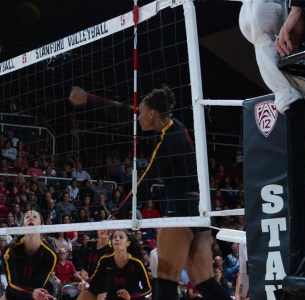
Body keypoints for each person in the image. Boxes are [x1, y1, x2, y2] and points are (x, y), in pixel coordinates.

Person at [137, 86, 231, 300]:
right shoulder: (175, 126)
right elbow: (130, 111)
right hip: (199, 207)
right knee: (204, 280)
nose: (138, 116)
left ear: (152, 113)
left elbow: (150, 175)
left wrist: (123, 210)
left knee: (165, 275)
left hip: (181, 207)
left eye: (141, 111)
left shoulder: (169, 137)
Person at [77, 230, 151, 300]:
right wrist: (85, 284)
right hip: (112, 296)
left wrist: (131, 296)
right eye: (115, 237)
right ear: (112, 242)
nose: (117, 239)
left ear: (128, 243)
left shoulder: (137, 263)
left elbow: (148, 288)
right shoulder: (105, 260)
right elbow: (95, 278)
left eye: (121, 237)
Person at [1, 210, 58, 300]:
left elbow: (39, 287)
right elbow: (12, 285)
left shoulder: (50, 255)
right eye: (27, 217)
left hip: (39, 294)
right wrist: (31, 293)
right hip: (15, 293)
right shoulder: (10, 250)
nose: (31, 218)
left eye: (35, 217)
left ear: (42, 226)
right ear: (23, 225)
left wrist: (33, 294)